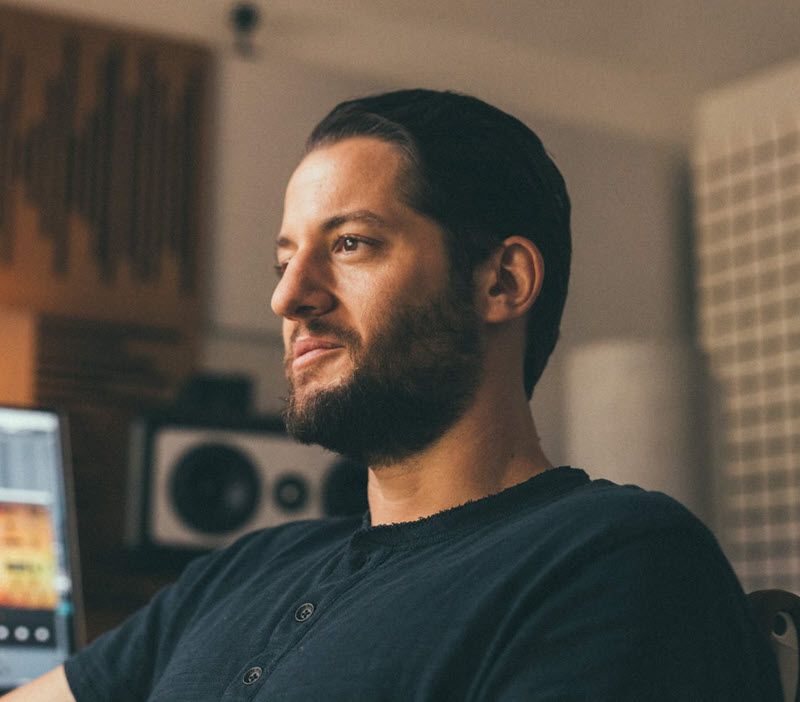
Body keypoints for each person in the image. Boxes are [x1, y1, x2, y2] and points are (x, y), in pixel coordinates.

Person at [6, 89, 780, 701]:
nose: (288, 297)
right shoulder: (244, 571)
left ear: (501, 281)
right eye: (284, 259)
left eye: (350, 244)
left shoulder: (616, 560)